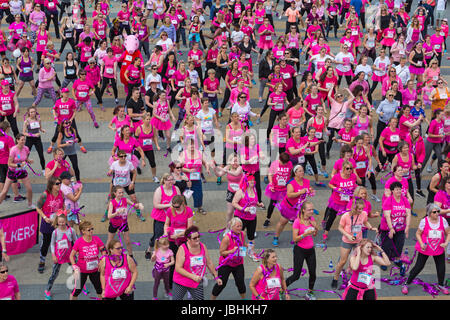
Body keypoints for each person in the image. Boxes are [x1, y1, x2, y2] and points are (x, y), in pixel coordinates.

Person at [402, 203, 450, 296]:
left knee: (441, 268)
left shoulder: (443, 220)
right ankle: (406, 283)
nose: (437, 213)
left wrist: (446, 243)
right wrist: (421, 243)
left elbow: (448, 232)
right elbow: (418, 233)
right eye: (434, 212)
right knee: (419, 266)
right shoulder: (424, 221)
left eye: (438, 211)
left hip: (439, 247)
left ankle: (441, 284)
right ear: (429, 213)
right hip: (426, 247)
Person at [331, 198, 378, 289]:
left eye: (362, 208)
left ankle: (354, 279)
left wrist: (371, 227)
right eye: (359, 209)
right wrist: (348, 235)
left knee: (357, 261)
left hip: (358, 241)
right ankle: (335, 278)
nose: (361, 211)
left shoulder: (363, 214)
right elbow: (340, 228)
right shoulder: (345, 216)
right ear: (354, 208)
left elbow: (365, 222)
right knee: (342, 261)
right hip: (347, 241)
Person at [172, 226, 222, 300]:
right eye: (194, 238)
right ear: (188, 239)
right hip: (181, 281)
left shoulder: (202, 246)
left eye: (198, 236)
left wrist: (216, 276)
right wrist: (193, 276)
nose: (198, 239)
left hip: (196, 282)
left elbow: (209, 262)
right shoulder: (182, 249)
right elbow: (178, 268)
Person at [285, 201, 318, 300]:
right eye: (309, 210)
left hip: (310, 250)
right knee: (296, 275)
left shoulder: (312, 219)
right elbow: (295, 239)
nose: (312, 211)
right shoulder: (297, 222)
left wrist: (315, 228)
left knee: (313, 273)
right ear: (303, 210)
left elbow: (315, 234)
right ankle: (282, 288)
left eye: (312, 209)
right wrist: (305, 234)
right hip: (300, 250)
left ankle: (310, 292)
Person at [146, 174, 181, 260]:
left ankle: (168, 253)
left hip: (173, 218)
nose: (171, 182)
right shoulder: (159, 190)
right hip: (161, 218)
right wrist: (169, 205)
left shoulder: (176, 189)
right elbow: (156, 205)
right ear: (164, 181)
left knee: (171, 235)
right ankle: (151, 250)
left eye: (172, 179)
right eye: (169, 180)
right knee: (157, 237)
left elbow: (180, 201)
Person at [211, 217, 247, 300]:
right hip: (226, 264)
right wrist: (231, 251)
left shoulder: (242, 234)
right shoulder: (227, 238)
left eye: (241, 226)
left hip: (238, 263)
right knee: (222, 284)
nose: (240, 228)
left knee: (240, 282)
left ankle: (244, 299)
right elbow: (221, 252)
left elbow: (243, 243)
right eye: (237, 226)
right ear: (232, 227)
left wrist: (247, 246)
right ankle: (212, 299)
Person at [380, 181, 411, 273]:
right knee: (386, 245)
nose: (399, 191)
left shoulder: (404, 200)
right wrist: (391, 228)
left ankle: (397, 259)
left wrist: (407, 227)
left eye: (400, 189)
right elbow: (387, 216)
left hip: (400, 227)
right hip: (387, 227)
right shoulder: (388, 200)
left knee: (399, 244)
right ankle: (384, 261)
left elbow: (408, 214)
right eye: (397, 189)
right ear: (392, 191)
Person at [44, 213, 77, 300]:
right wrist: (53, 256)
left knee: (77, 271)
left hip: (70, 256)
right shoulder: (55, 232)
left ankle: (79, 286)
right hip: (59, 257)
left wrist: (76, 252)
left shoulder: (71, 231)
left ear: (66, 221)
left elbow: (76, 241)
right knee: (54, 274)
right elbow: (52, 245)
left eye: (63, 222)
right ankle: (47, 290)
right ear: (57, 222)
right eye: (60, 222)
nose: (62, 224)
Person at [69, 220, 106, 300]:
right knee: (76, 291)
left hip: (95, 270)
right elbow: (71, 256)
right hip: (81, 271)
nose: (91, 231)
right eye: (89, 230)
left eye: (92, 229)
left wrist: (102, 260)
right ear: (83, 231)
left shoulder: (96, 239)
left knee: (100, 290)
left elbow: (103, 250)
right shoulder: (79, 242)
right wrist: (74, 267)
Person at [323, 160, 358, 241]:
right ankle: (326, 232)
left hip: (348, 202)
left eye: (351, 169)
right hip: (337, 201)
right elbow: (330, 184)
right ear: (343, 169)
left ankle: (349, 233)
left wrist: (356, 189)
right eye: (347, 169)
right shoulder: (337, 176)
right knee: (332, 217)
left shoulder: (353, 176)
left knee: (349, 217)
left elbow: (354, 185)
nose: (349, 171)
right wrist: (336, 188)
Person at [232, 173, 264, 262]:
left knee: (251, 237)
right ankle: (236, 252)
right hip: (240, 218)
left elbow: (254, 201)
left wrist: (259, 204)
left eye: (253, 180)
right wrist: (243, 209)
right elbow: (234, 203)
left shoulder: (254, 190)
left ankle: (251, 252)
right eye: (250, 180)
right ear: (246, 181)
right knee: (238, 236)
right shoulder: (241, 192)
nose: (253, 182)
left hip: (252, 217)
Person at [36, 176, 64, 274]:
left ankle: (57, 259)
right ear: (51, 185)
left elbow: (62, 206)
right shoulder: (45, 195)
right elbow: (38, 208)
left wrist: (63, 213)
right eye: (57, 183)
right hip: (47, 223)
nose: (59, 185)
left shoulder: (61, 193)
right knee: (46, 243)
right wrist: (45, 217)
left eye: (60, 183)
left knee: (58, 241)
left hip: (58, 223)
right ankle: (42, 261)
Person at [0, 134, 34, 208]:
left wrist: (29, 161)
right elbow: (9, 163)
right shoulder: (13, 150)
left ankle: (30, 204)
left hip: (22, 171)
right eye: (22, 140)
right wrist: (18, 165)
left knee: (29, 189)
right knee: (4, 191)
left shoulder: (26, 148)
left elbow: (25, 158)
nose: (23, 141)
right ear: (17, 140)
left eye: (24, 140)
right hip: (12, 171)